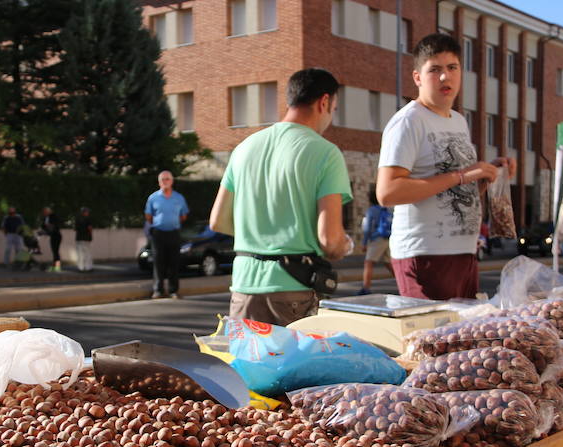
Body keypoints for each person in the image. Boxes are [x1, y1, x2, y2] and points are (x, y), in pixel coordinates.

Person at [376, 33, 516, 300]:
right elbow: (387, 192)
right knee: (434, 341)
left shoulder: (459, 121)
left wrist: (489, 174)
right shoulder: (409, 121)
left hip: (464, 251)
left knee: (463, 339)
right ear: (418, 77)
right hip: (425, 255)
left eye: (452, 68)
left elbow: (457, 190)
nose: (445, 77)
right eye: (435, 70)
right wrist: (462, 175)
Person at [209, 68, 353, 326]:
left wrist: (262, 236)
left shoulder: (244, 148)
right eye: (335, 108)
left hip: (244, 287)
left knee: (247, 366)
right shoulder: (326, 153)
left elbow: (218, 221)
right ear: (324, 102)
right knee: (295, 367)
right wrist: (345, 245)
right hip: (293, 291)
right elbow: (330, 240)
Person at [145, 171, 189, 299]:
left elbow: (183, 215)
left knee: (174, 262)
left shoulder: (179, 198)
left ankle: (173, 290)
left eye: (167, 179)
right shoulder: (153, 198)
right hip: (158, 233)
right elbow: (148, 216)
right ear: (159, 182)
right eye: (163, 179)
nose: (165, 181)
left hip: (174, 233)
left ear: (172, 181)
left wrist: (173, 222)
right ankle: (158, 290)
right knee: (158, 262)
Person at [358, 196, 394, 295]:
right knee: (388, 263)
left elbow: (367, 228)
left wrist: (364, 243)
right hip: (389, 237)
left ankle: (366, 288)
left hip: (377, 239)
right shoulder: (388, 209)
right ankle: (403, 283)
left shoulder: (372, 210)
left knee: (368, 263)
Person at [40, 206, 63, 272]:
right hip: (52, 236)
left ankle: (57, 267)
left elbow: (54, 226)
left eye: (45, 212)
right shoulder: (46, 218)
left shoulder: (53, 216)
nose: (44, 213)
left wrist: (48, 228)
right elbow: (44, 226)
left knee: (56, 251)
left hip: (57, 235)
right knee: (54, 251)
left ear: (48, 211)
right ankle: (55, 266)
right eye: (43, 212)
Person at [75, 206, 94, 272]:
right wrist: (91, 236)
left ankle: (80, 268)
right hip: (86, 238)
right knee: (87, 253)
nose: (88, 213)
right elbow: (90, 228)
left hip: (79, 238)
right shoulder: (88, 219)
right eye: (87, 212)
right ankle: (88, 267)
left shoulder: (77, 219)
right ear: (85, 212)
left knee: (80, 253)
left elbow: (75, 229)